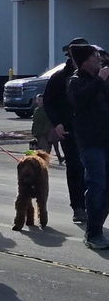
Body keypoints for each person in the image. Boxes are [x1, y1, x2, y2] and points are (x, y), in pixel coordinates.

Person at [66, 43, 109, 250]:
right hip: (90, 142)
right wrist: (101, 80)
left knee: (106, 187)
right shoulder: (76, 82)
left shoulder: (99, 81)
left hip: (106, 140)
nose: (99, 59)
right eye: (95, 56)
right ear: (85, 61)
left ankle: (97, 227)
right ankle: (93, 233)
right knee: (97, 184)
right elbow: (81, 101)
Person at [44, 37, 88, 224]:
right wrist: (57, 123)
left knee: (93, 167)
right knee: (76, 166)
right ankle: (78, 207)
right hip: (69, 129)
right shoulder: (60, 77)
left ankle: (92, 204)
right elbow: (48, 102)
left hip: (92, 130)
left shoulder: (94, 75)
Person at [30, 94, 61, 161]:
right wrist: (33, 131)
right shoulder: (36, 110)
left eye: (41, 100)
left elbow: (47, 122)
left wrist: (45, 131)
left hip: (44, 132)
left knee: (45, 147)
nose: (40, 101)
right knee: (38, 147)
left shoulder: (45, 110)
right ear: (36, 101)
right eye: (38, 100)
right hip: (37, 131)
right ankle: (41, 159)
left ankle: (44, 160)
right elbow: (35, 122)